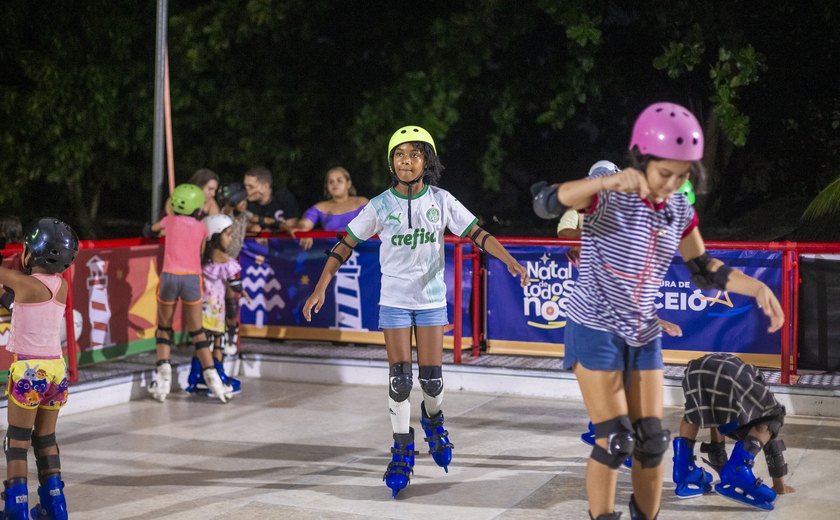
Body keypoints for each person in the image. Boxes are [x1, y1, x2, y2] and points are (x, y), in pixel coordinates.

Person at [531, 102, 785, 520]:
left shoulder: (679, 210)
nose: (673, 184)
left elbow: (704, 268)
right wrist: (607, 183)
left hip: (643, 332)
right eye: (665, 173)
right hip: (593, 326)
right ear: (642, 160)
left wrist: (756, 287)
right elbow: (548, 202)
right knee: (615, 439)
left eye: (682, 176)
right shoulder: (609, 198)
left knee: (650, 442)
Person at [302, 125, 528, 498]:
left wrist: (511, 262)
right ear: (391, 162)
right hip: (393, 300)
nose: (406, 161)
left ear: (427, 160)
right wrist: (321, 285)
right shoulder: (379, 205)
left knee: (432, 381)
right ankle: (402, 449)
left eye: (414, 154)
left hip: (430, 301)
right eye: (399, 155)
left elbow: (477, 234)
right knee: (400, 380)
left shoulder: (441, 200)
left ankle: (434, 420)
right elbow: (344, 244)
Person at [1, 217, 78, 519]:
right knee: (45, 439)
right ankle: (55, 506)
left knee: (16, 442)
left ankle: (16, 509)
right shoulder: (63, 286)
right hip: (56, 372)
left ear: (32, 252)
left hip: (29, 373)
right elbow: (25, 304)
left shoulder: (22, 283)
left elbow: (17, 288)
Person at [672, 353, 794, 510]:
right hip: (728, 371)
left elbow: (715, 423)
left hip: (695, 370)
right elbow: (770, 439)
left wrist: (721, 464)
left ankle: (683, 471)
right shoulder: (755, 392)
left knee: (694, 412)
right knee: (773, 416)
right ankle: (739, 470)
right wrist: (779, 486)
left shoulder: (734, 401)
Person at [146, 183, 232, 404]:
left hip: (169, 277)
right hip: (192, 278)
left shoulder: (169, 221)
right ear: (197, 208)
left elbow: (151, 229)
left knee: (164, 328)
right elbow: (201, 251)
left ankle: (162, 377)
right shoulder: (202, 227)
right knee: (198, 332)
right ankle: (214, 379)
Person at [184, 214, 243, 397]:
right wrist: (239, 289)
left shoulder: (202, 260)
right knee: (217, 341)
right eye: (227, 234)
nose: (231, 238)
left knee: (204, 343)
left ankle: (196, 377)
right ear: (215, 236)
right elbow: (234, 283)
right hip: (214, 309)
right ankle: (218, 376)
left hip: (205, 308)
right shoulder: (224, 260)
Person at [290, 166, 369, 250]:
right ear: (327, 186)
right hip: (331, 253)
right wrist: (305, 232)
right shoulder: (320, 207)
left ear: (348, 183)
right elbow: (304, 224)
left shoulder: (361, 202)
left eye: (339, 180)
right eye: (331, 182)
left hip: (363, 253)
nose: (335, 184)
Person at [243, 166, 300, 233]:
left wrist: (271, 232)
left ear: (265, 186)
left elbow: (291, 227)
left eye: (251, 187)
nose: (246, 191)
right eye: (245, 187)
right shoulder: (245, 203)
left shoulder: (283, 197)